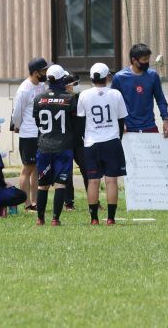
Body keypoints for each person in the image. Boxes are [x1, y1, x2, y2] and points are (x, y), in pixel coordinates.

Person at [77, 63, 128, 225]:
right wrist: (118, 138)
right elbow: (121, 120)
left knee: (93, 181)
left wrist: (84, 138)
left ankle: (94, 219)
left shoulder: (84, 95)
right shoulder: (116, 94)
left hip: (91, 142)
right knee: (111, 181)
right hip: (112, 141)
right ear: (107, 77)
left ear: (91, 78)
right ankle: (111, 218)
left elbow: (81, 120)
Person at [32, 64, 76, 226]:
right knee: (60, 183)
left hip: (44, 145)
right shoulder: (69, 98)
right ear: (61, 79)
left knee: (42, 185)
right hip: (63, 146)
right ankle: (55, 219)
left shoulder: (38, 98)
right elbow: (75, 122)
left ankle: (40, 219)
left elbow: (37, 122)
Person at [12, 57, 49, 212]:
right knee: (27, 168)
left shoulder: (42, 85)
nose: (46, 73)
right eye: (44, 71)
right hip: (28, 134)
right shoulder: (24, 89)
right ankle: (26, 203)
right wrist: (17, 126)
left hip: (41, 133)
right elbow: (17, 112)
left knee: (37, 168)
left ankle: (35, 201)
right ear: (35, 73)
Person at [111, 43, 168, 137]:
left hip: (149, 126)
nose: (147, 62)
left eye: (148, 59)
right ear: (134, 60)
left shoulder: (153, 76)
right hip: (127, 128)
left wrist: (166, 121)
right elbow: (113, 103)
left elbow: (160, 100)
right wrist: (120, 123)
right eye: (144, 59)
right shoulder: (119, 77)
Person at [63, 73, 87, 211]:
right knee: (67, 173)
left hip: (79, 141)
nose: (78, 86)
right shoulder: (62, 100)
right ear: (67, 86)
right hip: (66, 142)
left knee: (87, 169)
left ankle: (93, 200)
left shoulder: (82, 98)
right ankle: (68, 203)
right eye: (75, 84)